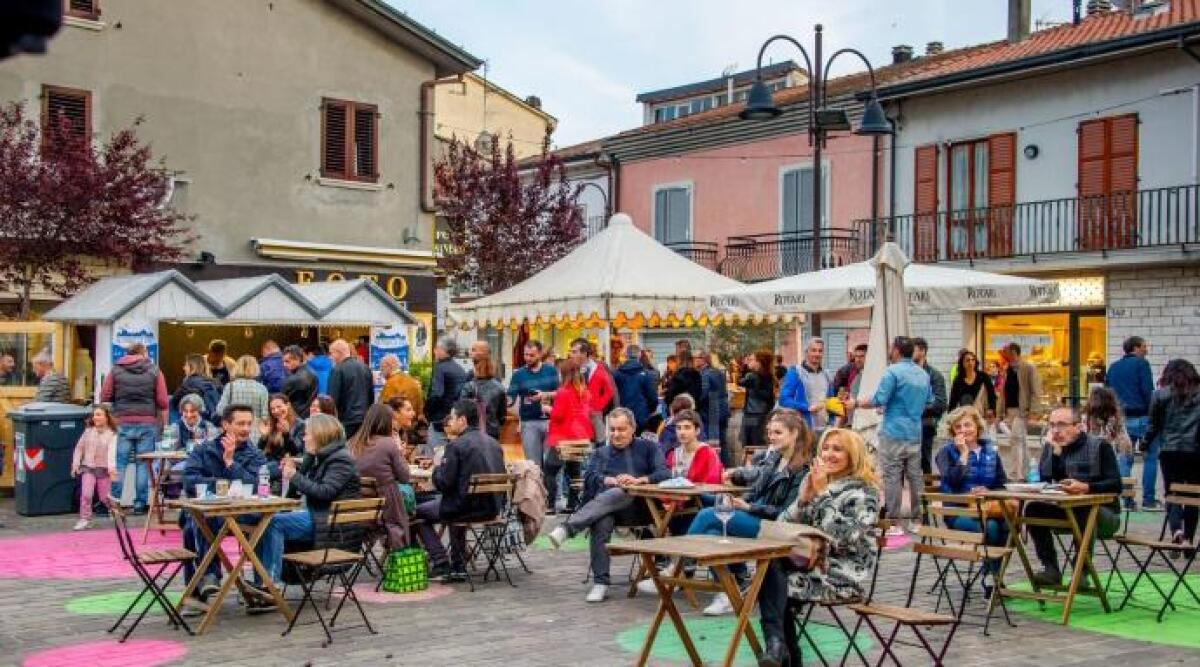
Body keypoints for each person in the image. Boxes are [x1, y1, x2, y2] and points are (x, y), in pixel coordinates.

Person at [757, 428, 882, 667]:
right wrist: (803, 500)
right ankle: (778, 647)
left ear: (853, 455)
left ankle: (782, 652)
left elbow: (840, 538)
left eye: (837, 449)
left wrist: (823, 493)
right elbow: (782, 526)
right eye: (825, 448)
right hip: (808, 564)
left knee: (772, 584)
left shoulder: (865, 492)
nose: (828, 454)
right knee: (768, 566)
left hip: (841, 574)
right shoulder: (815, 482)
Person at [689, 409, 813, 616]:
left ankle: (678, 565)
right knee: (711, 533)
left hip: (776, 526)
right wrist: (739, 502)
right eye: (770, 432)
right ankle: (730, 590)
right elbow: (756, 491)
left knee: (707, 515)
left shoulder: (803, 469)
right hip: (756, 516)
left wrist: (749, 508)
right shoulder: (774, 459)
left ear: (794, 434)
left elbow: (786, 512)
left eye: (777, 433)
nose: (771, 437)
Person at [546, 408, 669, 603]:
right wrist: (609, 480)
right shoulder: (601, 453)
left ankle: (567, 528)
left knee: (624, 491)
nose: (616, 434)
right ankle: (601, 582)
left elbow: (664, 473)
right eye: (612, 430)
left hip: (641, 508)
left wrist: (639, 481)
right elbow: (590, 478)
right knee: (602, 518)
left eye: (621, 429)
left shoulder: (649, 448)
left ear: (633, 428)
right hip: (608, 509)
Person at [249, 413, 361, 609]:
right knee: (264, 520)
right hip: (320, 516)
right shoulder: (323, 456)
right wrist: (304, 463)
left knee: (273, 522)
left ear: (320, 435)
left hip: (332, 525)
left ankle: (271, 584)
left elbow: (325, 492)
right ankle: (261, 584)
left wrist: (294, 476)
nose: (304, 438)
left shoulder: (341, 460)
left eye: (307, 434)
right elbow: (301, 493)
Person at [180, 404, 269, 614]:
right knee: (195, 522)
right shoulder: (204, 450)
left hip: (243, 515)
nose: (246, 428)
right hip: (209, 515)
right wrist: (225, 486)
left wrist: (230, 463)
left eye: (249, 423)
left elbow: (256, 485)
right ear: (225, 425)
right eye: (240, 423)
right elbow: (190, 482)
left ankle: (253, 588)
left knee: (264, 523)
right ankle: (201, 588)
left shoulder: (255, 455)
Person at [1024, 406, 1122, 586]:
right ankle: (1050, 569)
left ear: (1079, 426)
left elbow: (1116, 484)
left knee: (1085, 508)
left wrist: (1086, 487)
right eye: (1052, 425)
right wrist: (1054, 453)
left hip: (1105, 515)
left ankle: (1081, 571)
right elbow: (1045, 479)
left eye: (1061, 425)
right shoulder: (1053, 446)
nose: (1055, 430)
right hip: (1069, 511)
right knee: (1033, 509)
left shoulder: (1100, 446)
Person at [845, 336, 931, 536]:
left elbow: (879, 399)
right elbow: (929, 400)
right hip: (914, 430)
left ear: (897, 351)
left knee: (892, 478)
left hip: (893, 431)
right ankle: (918, 520)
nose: (890, 351)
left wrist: (855, 404)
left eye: (892, 348)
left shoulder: (892, 372)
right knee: (915, 477)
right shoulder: (922, 374)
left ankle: (895, 523)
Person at [414, 400, 506, 582]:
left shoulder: (456, 446)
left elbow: (443, 483)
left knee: (415, 513)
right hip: (493, 508)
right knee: (457, 500)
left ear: (463, 420)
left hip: (463, 509)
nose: (450, 421)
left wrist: (435, 470)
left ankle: (441, 562)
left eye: (453, 417)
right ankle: (458, 564)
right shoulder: (494, 443)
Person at [101, 342, 169, 515]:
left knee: (121, 463)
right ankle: (139, 504)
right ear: (143, 352)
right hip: (147, 422)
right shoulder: (154, 370)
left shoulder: (115, 370)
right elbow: (162, 401)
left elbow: (105, 395)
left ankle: (116, 501)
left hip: (122, 421)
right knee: (143, 464)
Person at [935, 406, 1009, 562]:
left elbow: (1002, 484)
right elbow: (952, 480)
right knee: (991, 528)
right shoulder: (945, 452)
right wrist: (963, 453)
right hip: (957, 511)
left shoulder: (991, 451)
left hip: (987, 509)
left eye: (967, 425)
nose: (963, 430)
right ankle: (992, 577)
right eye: (958, 427)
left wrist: (988, 491)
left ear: (977, 426)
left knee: (1009, 527)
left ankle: (994, 575)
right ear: (953, 431)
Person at [1145, 359, 1200, 545]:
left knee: (1172, 492)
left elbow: (1153, 425)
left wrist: (1145, 444)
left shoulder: (1160, 395)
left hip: (1169, 451)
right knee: (1193, 495)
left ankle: (1176, 530)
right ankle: (1189, 538)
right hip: (1195, 451)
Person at [350, 403, 411, 550]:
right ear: (386, 422)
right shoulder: (388, 443)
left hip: (359, 507)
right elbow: (405, 477)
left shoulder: (352, 443)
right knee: (413, 505)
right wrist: (399, 451)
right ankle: (404, 555)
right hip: (387, 507)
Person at [1106, 336, 1158, 509]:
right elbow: (1148, 391)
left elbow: (1108, 393)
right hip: (1143, 417)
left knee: (1124, 460)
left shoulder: (1113, 367)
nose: (1146, 350)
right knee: (1150, 458)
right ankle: (1148, 499)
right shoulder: (1142, 364)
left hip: (1122, 419)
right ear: (1135, 348)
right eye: (1144, 347)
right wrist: (1154, 415)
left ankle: (1127, 499)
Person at [544, 360, 593, 513]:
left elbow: (558, 415)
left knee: (550, 471)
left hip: (562, 437)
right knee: (574, 472)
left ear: (563, 373)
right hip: (580, 436)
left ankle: (550, 506)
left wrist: (547, 408)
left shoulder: (563, 392)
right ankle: (572, 505)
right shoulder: (584, 391)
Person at [507, 340, 559, 470]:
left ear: (540, 354)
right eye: (526, 355)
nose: (528, 358)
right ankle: (535, 490)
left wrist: (545, 395)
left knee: (551, 465)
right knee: (533, 466)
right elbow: (510, 398)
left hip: (550, 421)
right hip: (529, 422)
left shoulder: (551, 371)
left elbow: (560, 393)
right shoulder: (518, 374)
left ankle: (550, 490)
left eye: (532, 355)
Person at [1083, 386, 1134, 509]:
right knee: (1122, 466)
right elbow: (1125, 441)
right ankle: (1126, 500)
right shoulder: (1114, 416)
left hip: (1092, 457)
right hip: (1111, 454)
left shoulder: (1087, 416)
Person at [996, 342, 1041, 477]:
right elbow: (1003, 392)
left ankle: (1017, 473)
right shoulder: (1006, 369)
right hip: (1010, 410)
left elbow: (1035, 390)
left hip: (1022, 410)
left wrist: (1034, 411)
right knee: (1020, 440)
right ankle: (1026, 470)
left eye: (1006, 352)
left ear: (1014, 352)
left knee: (1016, 439)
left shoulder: (1028, 368)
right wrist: (999, 412)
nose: (1003, 355)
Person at [71, 405, 118, 531]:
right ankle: (85, 519)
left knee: (104, 498)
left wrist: (112, 470)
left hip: (103, 470)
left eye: (99, 415)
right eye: (94, 415)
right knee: (86, 494)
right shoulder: (88, 431)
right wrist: (75, 464)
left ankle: (114, 511)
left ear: (106, 417)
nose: (95, 418)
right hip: (88, 468)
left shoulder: (112, 435)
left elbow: (111, 454)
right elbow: (79, 448)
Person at [780, 338, 836, 429]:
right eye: (813, 350)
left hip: (824, 428)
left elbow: (831, 402)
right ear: (806, 352)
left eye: (820, 351)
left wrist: (832, 423)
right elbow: (784, 400)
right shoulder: (796, 372)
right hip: (802, 427)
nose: (817, 354)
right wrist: (808, 407)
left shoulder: (827, 375)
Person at [425, 337, 468, 454]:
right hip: (456, 420)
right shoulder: (460, 369)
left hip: (439, 421)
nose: (434, 351)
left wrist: (426, 412)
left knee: (435, 457)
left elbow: (436, 394)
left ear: (443, 350)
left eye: (436, 348)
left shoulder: (440, 368)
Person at [570, 338, 617, 443]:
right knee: (580, 446)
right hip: (576, 414)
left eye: (574, 352)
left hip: (593, 414)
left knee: (599, 442)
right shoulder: (570, 368)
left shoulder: (598, 368)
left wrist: (598, 406)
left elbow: (610, 391)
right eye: (571, 352)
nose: (571, 355)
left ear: (584, 353)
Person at [914, 338, 948, 476]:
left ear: (922, 351)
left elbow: (941, 403)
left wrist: (916, 409)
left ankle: (926, 494)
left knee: (924, 460)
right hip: (905, 425)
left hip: (925, 424)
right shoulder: (903, 374)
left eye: (913, 349)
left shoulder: (934, 375)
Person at [327, 338, 374, 439]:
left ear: (339, 353)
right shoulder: (365, 368)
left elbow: (332, 399)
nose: (330, 357)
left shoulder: (337, 370)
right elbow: (371, 396)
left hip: (345, 420)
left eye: (331, 353)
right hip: (364, 419)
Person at [216, 355, 269, 439]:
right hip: (255, 433)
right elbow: (265, 416)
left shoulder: (230, 386)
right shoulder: (262, 388)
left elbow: (220, 410)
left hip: (234, 432)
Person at [695, 350, 732, 467]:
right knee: (723, 443)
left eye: (696, 358)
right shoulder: (718, 372)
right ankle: (724, 468)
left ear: (703, 359)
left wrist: (695, 403)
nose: (694, 360)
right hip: (722, 411)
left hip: (710, 412)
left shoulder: (704, 374)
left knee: (712, 443)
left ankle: (714, 469)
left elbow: (704, 394)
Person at [459, 355, 506, 440]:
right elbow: (502, 416)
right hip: (492, 431)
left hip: (471, 431)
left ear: (476, 369)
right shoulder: (500, 388)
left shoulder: (469, 386)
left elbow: (462, 409)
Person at [613, 344, 657, 433]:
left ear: (626, 355)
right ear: (639, 355)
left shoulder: (617, 374)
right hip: (641, 414)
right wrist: (650, 409)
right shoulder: (646, 374)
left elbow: (613, 394)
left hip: (622, 413)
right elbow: (652, 396)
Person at [740, 350, 776, 448]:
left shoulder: (752, 376)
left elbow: (740, 381)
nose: (748, 362)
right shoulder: (768, 376)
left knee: (750, 443)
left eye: (751, 359)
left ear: (759, 362)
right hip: (763, 414)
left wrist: (744, 368)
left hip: (752, 414)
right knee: (759, 443)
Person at [259, 394, 305, 468]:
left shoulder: (300, 425)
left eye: (279, 407)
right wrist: (264, 437)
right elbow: (260, 450)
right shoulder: (272, 424)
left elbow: (295, 452)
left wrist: (286, 434)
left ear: (288, 405)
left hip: (287, 465)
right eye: (272, 409)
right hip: (269, 463)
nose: (276, 411)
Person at [170, 354, 219, 422]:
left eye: (186, 365)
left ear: (192, 367)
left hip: (192, 424)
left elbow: (173, 403)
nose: (183, 368)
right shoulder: (215, 383)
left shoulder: (187, 384)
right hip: (212, 423)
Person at [948, 349, 996, 416]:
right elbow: (953, 400)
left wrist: (992, 409)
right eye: (967, 360)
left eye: (972, 360)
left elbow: (991, 394)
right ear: (963, 363)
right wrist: (950, 416)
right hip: (964, 415)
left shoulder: (983, 376)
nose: (970, 362)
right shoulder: (958, 380)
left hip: (982, 414)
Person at [280, 345, 317, 419]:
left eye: (287, 361)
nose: (284, 365)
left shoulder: (292, 380)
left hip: (296, 417)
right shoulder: (313, 373)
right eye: (283, 362)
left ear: (298, 359)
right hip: (309, 415)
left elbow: (283, 399)